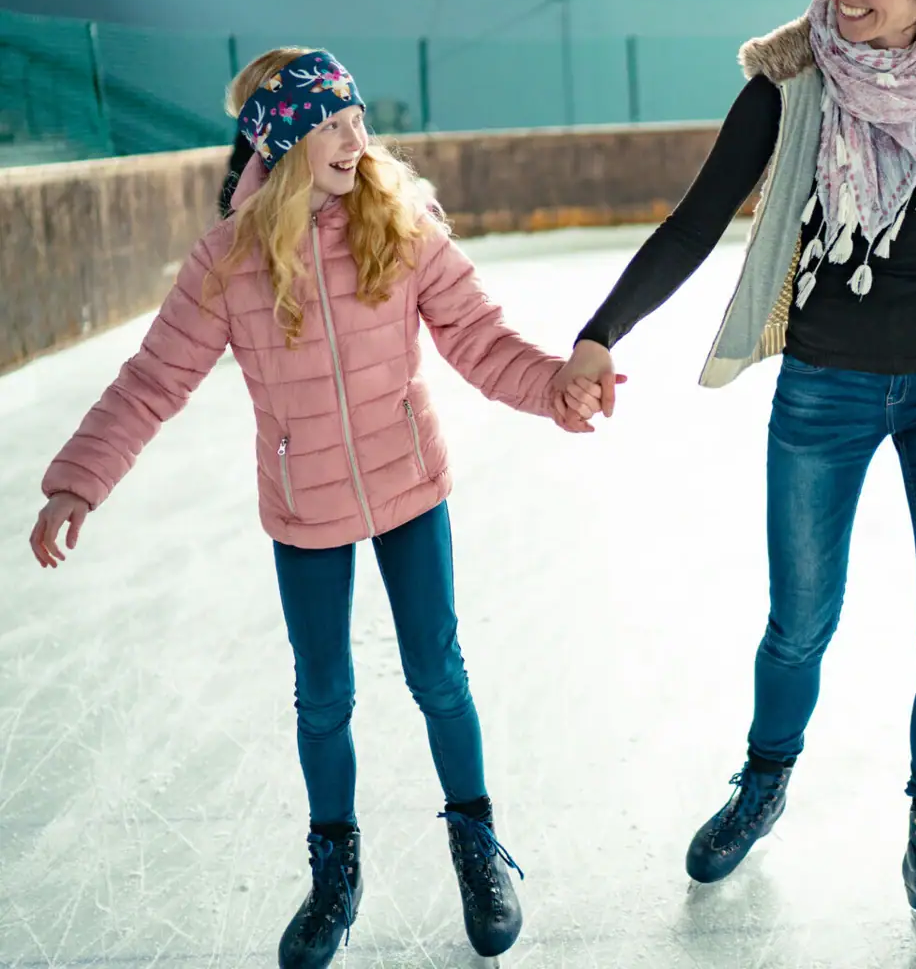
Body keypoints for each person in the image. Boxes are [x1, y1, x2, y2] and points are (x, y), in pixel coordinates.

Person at [553, 0, 916, 964]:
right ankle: (763, 782)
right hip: (823, 389)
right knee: (800, 622)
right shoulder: (791, 80)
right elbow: (693, 220)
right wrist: (601, 333)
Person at [30, 47, 599, 969]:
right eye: (330, 123)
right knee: (324, 693)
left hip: (409, 485)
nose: (354, 138)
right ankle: (335, 869)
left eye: (357, 118)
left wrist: (555, 390)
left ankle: (475, 845)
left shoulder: (402, 225)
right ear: (283, 140)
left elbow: (483, 340)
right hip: (304, 507)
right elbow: (154, 379)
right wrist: (76, 479)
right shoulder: (229, 262)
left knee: (437, 673)